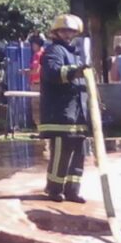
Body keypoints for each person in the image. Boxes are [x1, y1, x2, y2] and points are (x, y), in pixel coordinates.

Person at [39, 14, 90, 204]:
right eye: (65, 30)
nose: (68, 34)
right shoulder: (54, 51)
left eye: (71, 31)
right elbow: (53, 73)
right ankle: (54, 189)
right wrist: (73, 72)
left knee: (79, 153)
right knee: (62, 152)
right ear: (56, 32)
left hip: (77, 113)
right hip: (60, 113)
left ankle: (72, 190)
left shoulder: (76, 53)